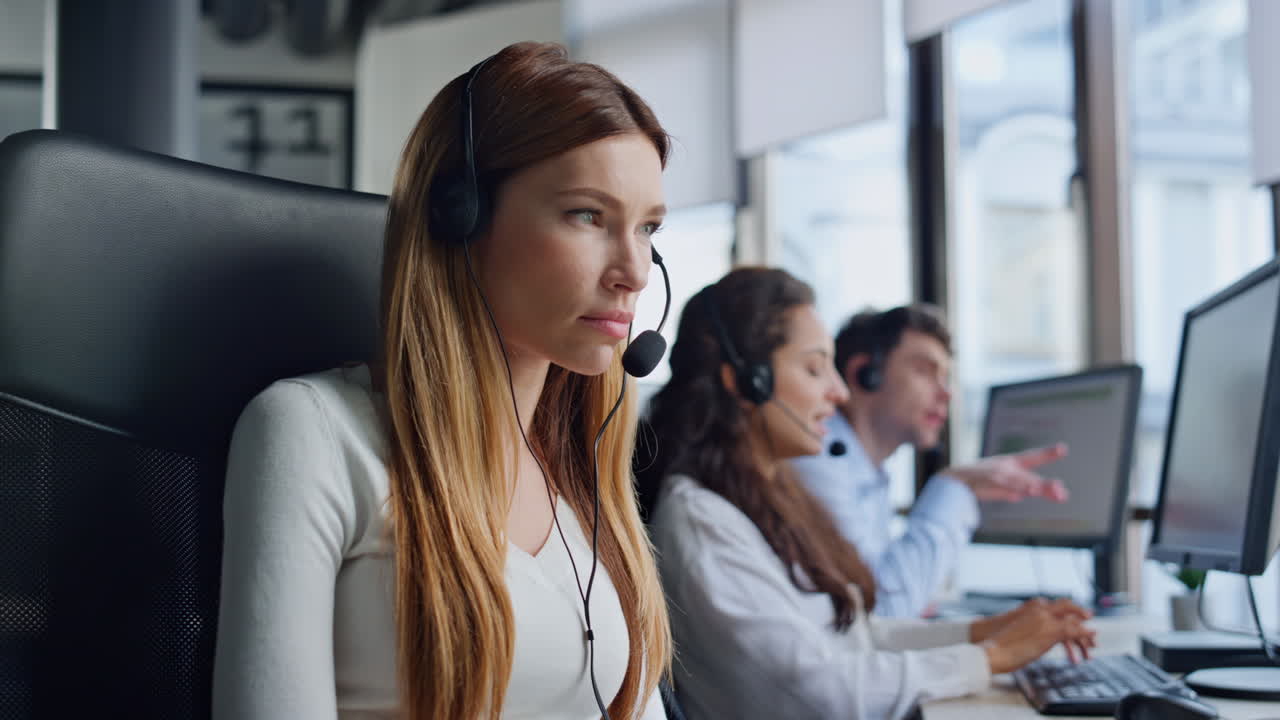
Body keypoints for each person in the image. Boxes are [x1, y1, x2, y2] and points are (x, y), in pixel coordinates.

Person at [213, 42, 673, 720]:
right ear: (460, 215)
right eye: (588, 215)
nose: (634, 271)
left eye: (649, 228)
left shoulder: (582, 473)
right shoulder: (313, 433)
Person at [640, 268, 1094, 720]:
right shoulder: (703, 522)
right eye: (815, 368)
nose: (837, 392)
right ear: (746, 381)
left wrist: (982, 633)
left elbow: (853, 639)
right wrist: (990, 657)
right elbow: (822, 691)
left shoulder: (762, 500)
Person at [789, 305, 1071, 617]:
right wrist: (953, 485)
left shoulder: (867, 470)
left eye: (945, 377)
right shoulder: (815, 459)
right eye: (925, 371)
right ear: (864, 375)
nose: (946, 393)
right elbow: (881, 608)